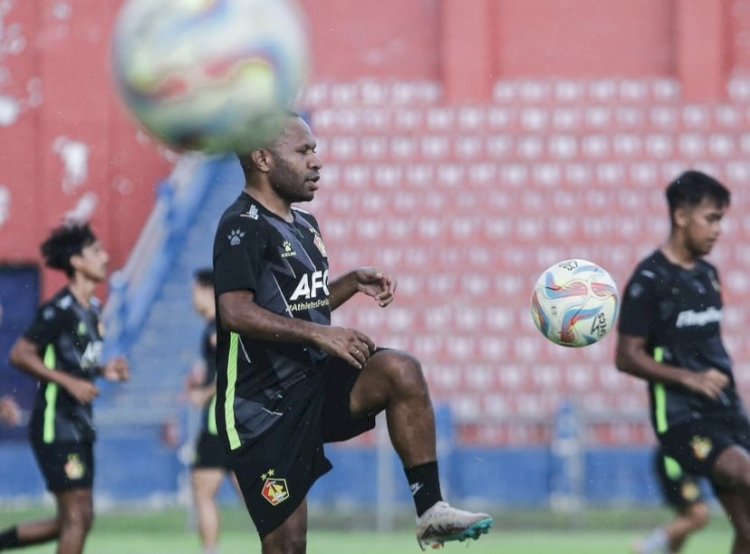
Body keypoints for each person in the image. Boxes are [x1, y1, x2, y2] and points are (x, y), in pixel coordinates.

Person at [212, 112, 493, 553]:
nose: (316, 161)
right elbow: (235, 312)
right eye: (303, 151)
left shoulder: (306, 226)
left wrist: (348, 284)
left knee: (400, 370)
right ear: (263, 158)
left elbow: (298, 302)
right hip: (262, 408)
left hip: (314, 386)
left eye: (315, 150)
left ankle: (430, 509)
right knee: (288, 545)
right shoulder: (241, 225)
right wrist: (321, 335)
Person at [615, 170, 750, 553]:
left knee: (747, 527)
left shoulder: (708, 276)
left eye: (721, 219)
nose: (719, 229)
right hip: (682, 420)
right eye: (712, 218)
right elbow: (626, 357)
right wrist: (687, 379)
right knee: (744, 473)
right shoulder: (649, 280)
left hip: (728, 412)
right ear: (681, 216)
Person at [0, 223, 129, 554]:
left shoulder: (93, 311)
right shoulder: (57, 311)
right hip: (54, 424)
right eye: (96, 251)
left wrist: (103, 370)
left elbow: (74, 363)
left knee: (73, 519)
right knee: (78, 515)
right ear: (76, 261)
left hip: (80, 424)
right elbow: (20, 354)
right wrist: (70, 382)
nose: (105, 256)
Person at [185, 268, 236, 554]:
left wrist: (204, 393)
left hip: (221, 423)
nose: (193, 298)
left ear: (207, 290)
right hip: (239, 423)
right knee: (258, 497)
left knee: (203, 493)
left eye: (195, 291)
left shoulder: (219, 326)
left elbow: (230, 368)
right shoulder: (217, 325)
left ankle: (210, 550)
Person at [633, 446, 709, 554]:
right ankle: (647, 547)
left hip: (686, 459)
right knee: (699, 514)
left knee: (686, 517)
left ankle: (658, 549)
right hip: (676, 462)